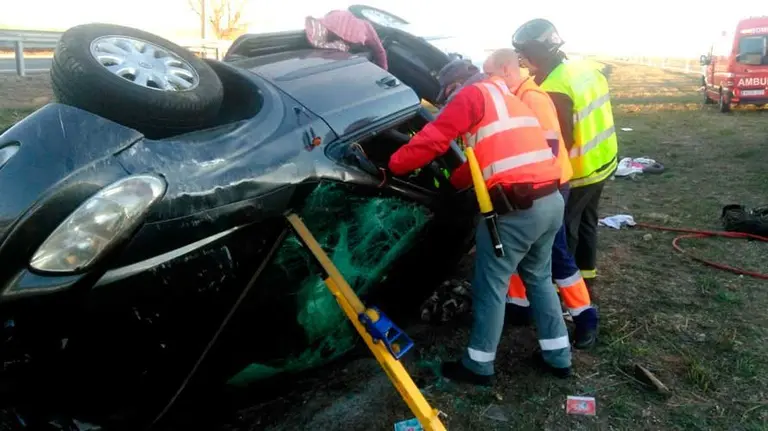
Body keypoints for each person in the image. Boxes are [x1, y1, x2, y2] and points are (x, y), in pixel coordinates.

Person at [388, 71, 572, 386]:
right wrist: (453, 182)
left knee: (491, 286)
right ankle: (559, 357)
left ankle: (478, 365)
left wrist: (393, 166)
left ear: (459, 84)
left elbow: (433, 138)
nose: (447, 101)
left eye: (448, 94)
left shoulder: (472, 95)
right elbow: (481, 160)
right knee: (539, 278)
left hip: (517, 210)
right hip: (551, 202)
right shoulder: (511, 102)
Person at [482, 49, 599, 349]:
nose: (486, 81)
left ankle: (585, 316)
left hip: (548, 186)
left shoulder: (532, 98)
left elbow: (549, 147)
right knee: (517, 248)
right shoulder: (514, 95)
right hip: (530, 186)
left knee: (555, 253)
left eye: (490, 74)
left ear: (507, 71)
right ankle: (520, 307)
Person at [512, 19, 619, 298]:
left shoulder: (554, 88)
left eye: (523, 54)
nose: (521, 60)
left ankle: (565, 289)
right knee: (587, 221)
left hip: (579, 170)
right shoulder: (582, 68)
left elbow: (559, 140)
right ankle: (587, 276)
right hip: (604, 159)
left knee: (565, 230)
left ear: (537, 53)